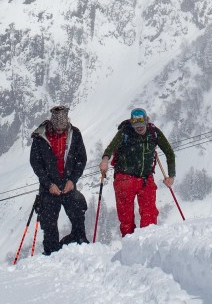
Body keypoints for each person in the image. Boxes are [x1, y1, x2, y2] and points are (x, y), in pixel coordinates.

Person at [99, 108, 176, 237]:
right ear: (131, 123)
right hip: (124, 179)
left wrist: (171, 176)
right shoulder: (125, 132)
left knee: (150, 214)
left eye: (141, 125)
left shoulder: (154, 133)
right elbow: (110, 148)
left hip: (146, 178)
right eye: (136, 125)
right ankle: (130, 244)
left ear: (146, 121)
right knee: (126, 218)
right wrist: (105, 160)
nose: (139, 128)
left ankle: (147, 241)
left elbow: (169, 152)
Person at [29, 105, 88, 255]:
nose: (60, 131)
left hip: (68, 184)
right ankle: (52, 251)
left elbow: (81, 159)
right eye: (57, 129)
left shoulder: (75, 134)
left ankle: (79, 242)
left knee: (78, 208)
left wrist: (72, 180)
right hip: (49, 188)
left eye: (63, 128)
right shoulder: (40, 137)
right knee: (48, 222)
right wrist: (48, 184)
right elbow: (35, 163)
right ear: (51, 123)